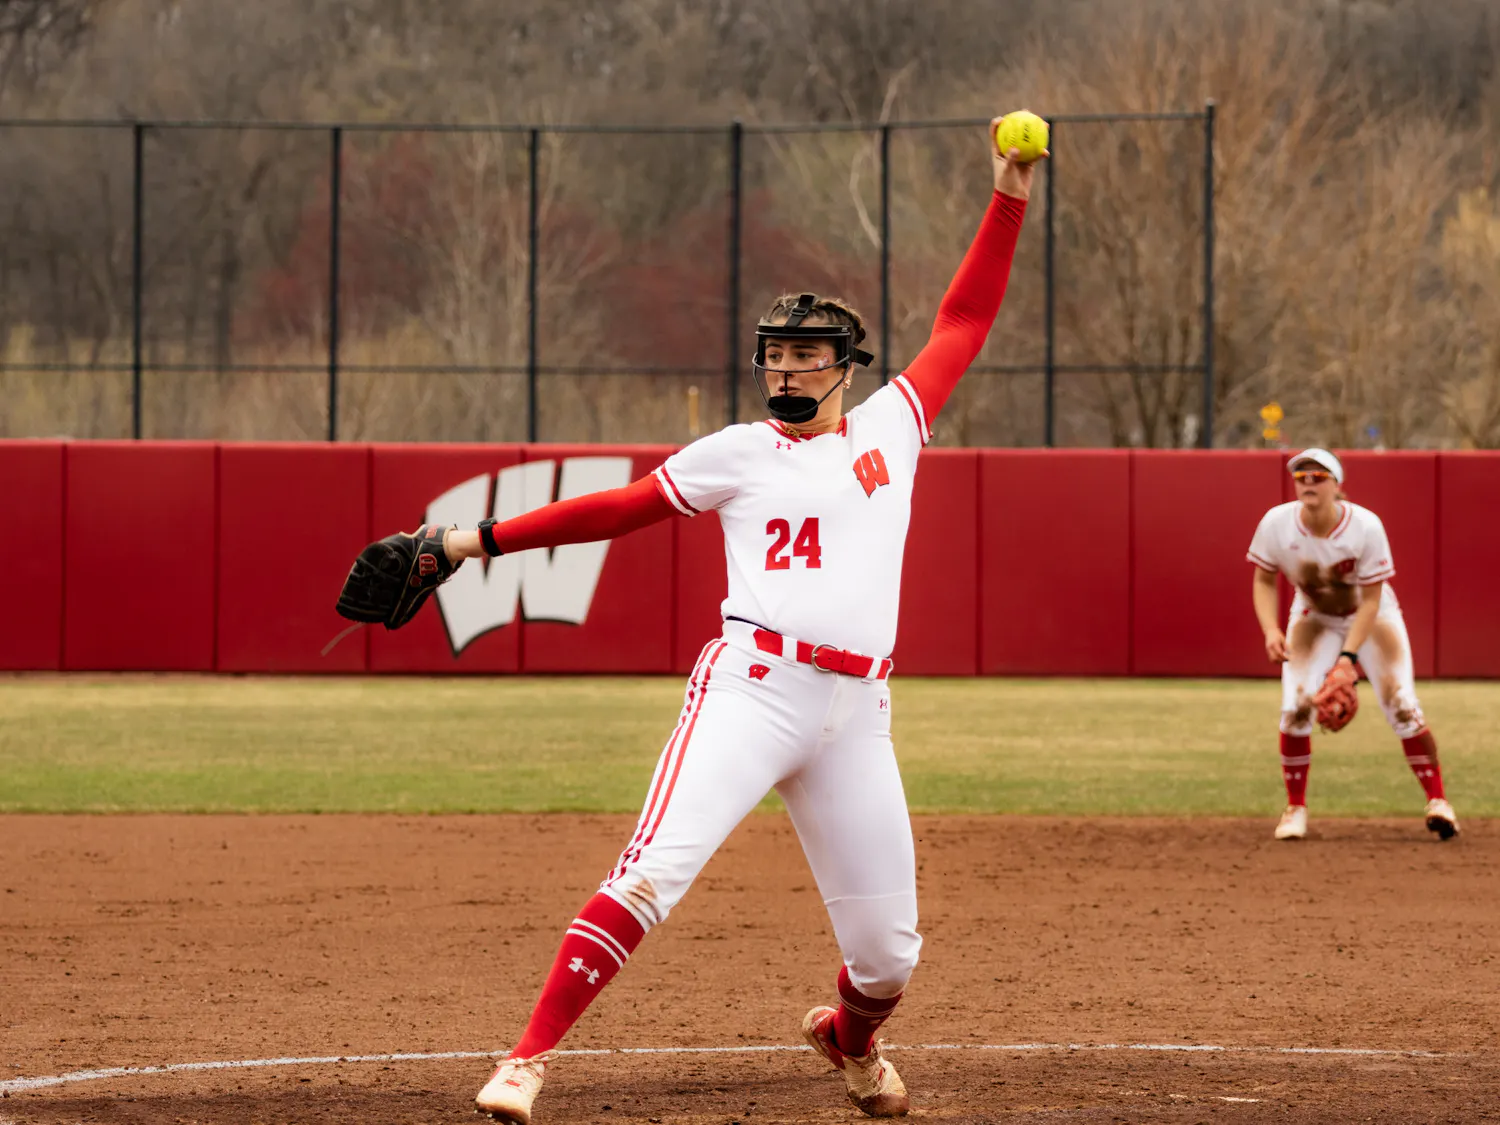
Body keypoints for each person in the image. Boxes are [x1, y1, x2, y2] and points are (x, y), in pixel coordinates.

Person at [427, 118, 1039, 1123]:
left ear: (847, 367)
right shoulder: (736, 453)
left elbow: (964, 319)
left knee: (888, 957)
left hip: (857, 709)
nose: (788, 371)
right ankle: (526, 1061)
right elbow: (615, 510)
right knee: (653, 873)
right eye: (776, 356)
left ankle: (849, 1038)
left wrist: (1008, 195)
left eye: (808, 356)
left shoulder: (894, 423)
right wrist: (470, 541)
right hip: (754, 688)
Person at [1247, 448, 1459, 842]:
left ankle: (1439, 801)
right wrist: (1270, 630)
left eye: (1318, 476)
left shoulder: (1365, 526)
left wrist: (1347, 659)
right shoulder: (1277, 523)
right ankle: (1295, 808)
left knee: (1401, 705)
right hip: (1314, 615)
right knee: (1295, 707)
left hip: (1372, 616)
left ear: (1337, 485)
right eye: (1301, 476)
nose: (1308, 482)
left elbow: (1372, 601)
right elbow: (1263, 578)